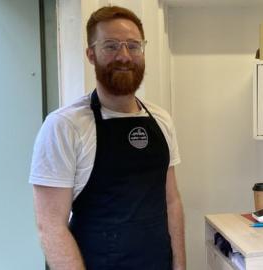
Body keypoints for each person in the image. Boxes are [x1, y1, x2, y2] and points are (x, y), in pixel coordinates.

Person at [29, 6, 185, 270]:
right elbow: (50, 227)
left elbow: (172, 201)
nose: (124, 55)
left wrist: (180, 265)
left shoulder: (162, 119)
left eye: (133, 46)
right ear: (91, 54)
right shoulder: (64, 126)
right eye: (111, 46)